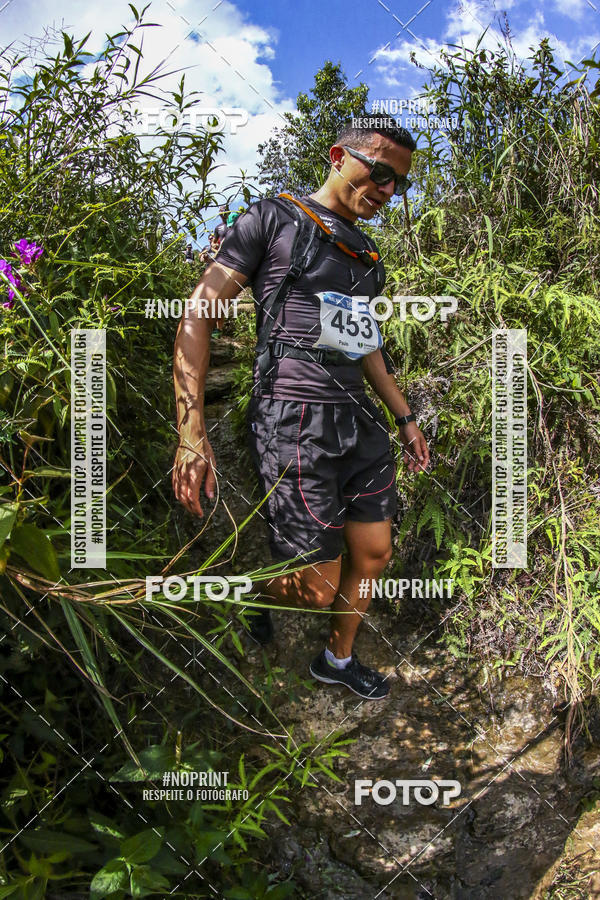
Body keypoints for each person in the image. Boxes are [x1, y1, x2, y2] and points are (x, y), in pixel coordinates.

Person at [172, 122, 430, 700]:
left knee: (376, 552)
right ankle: (247, 591)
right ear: (340, 157)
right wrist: (192, 430)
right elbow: (198, 316)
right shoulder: (272, 218)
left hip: (358, 418)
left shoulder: (364, 253)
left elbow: (364, 347)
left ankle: (336, 661)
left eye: (400, 184)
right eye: (380, 171)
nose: (388, 189)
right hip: (292, 418)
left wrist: (405, 417)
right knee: (316, 589)